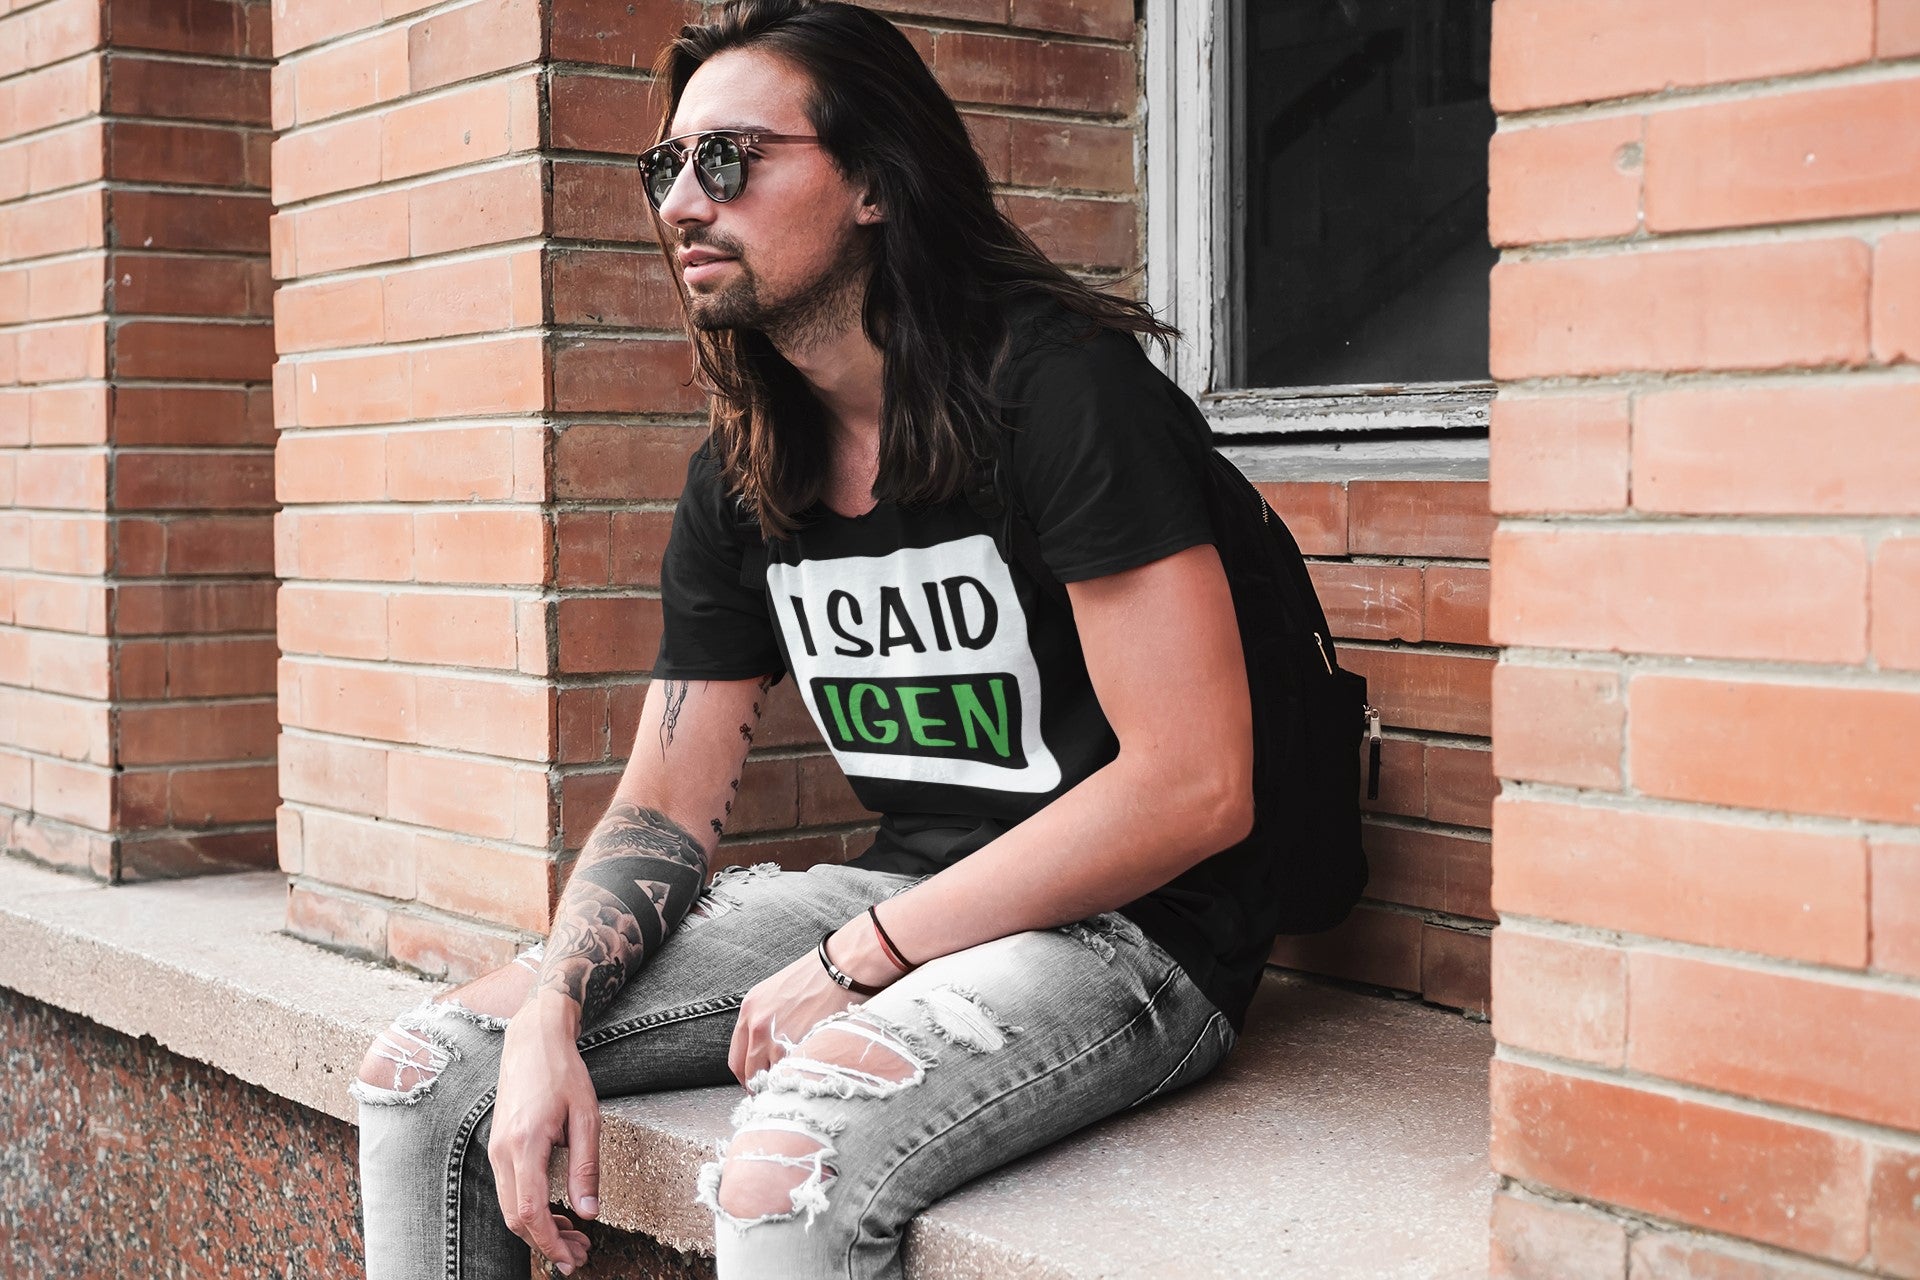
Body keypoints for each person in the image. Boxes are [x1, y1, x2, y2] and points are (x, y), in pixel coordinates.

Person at [353, 2, 1263, 1276]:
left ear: (876, 185)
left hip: (1132, 930)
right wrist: (552, 1010)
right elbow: (665, 803)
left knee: (785, 1168)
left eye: (727, 158)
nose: (682, 201)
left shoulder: (1062, 394)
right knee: (426, 1074)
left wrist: (859, 957)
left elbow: (1196, 784)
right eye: (664, 167)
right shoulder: (747, 470)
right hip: (909, 894)